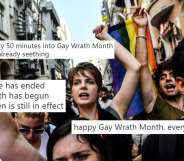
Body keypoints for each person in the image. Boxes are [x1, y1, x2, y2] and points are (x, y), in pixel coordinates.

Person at [67, 25, 140, 161]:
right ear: (72, 91)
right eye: (77, 83)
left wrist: (106, 38)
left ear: (99, 90)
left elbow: (134, 68)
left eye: (89, 81)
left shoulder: (114, 112)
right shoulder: (67, 131)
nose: (83, 86)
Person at [133, 8, 184, 120]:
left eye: (172, 75)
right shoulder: (156, 106)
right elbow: (142, 66)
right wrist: (141, 29)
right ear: (158, 88)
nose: (168, 79)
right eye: (162, 77)